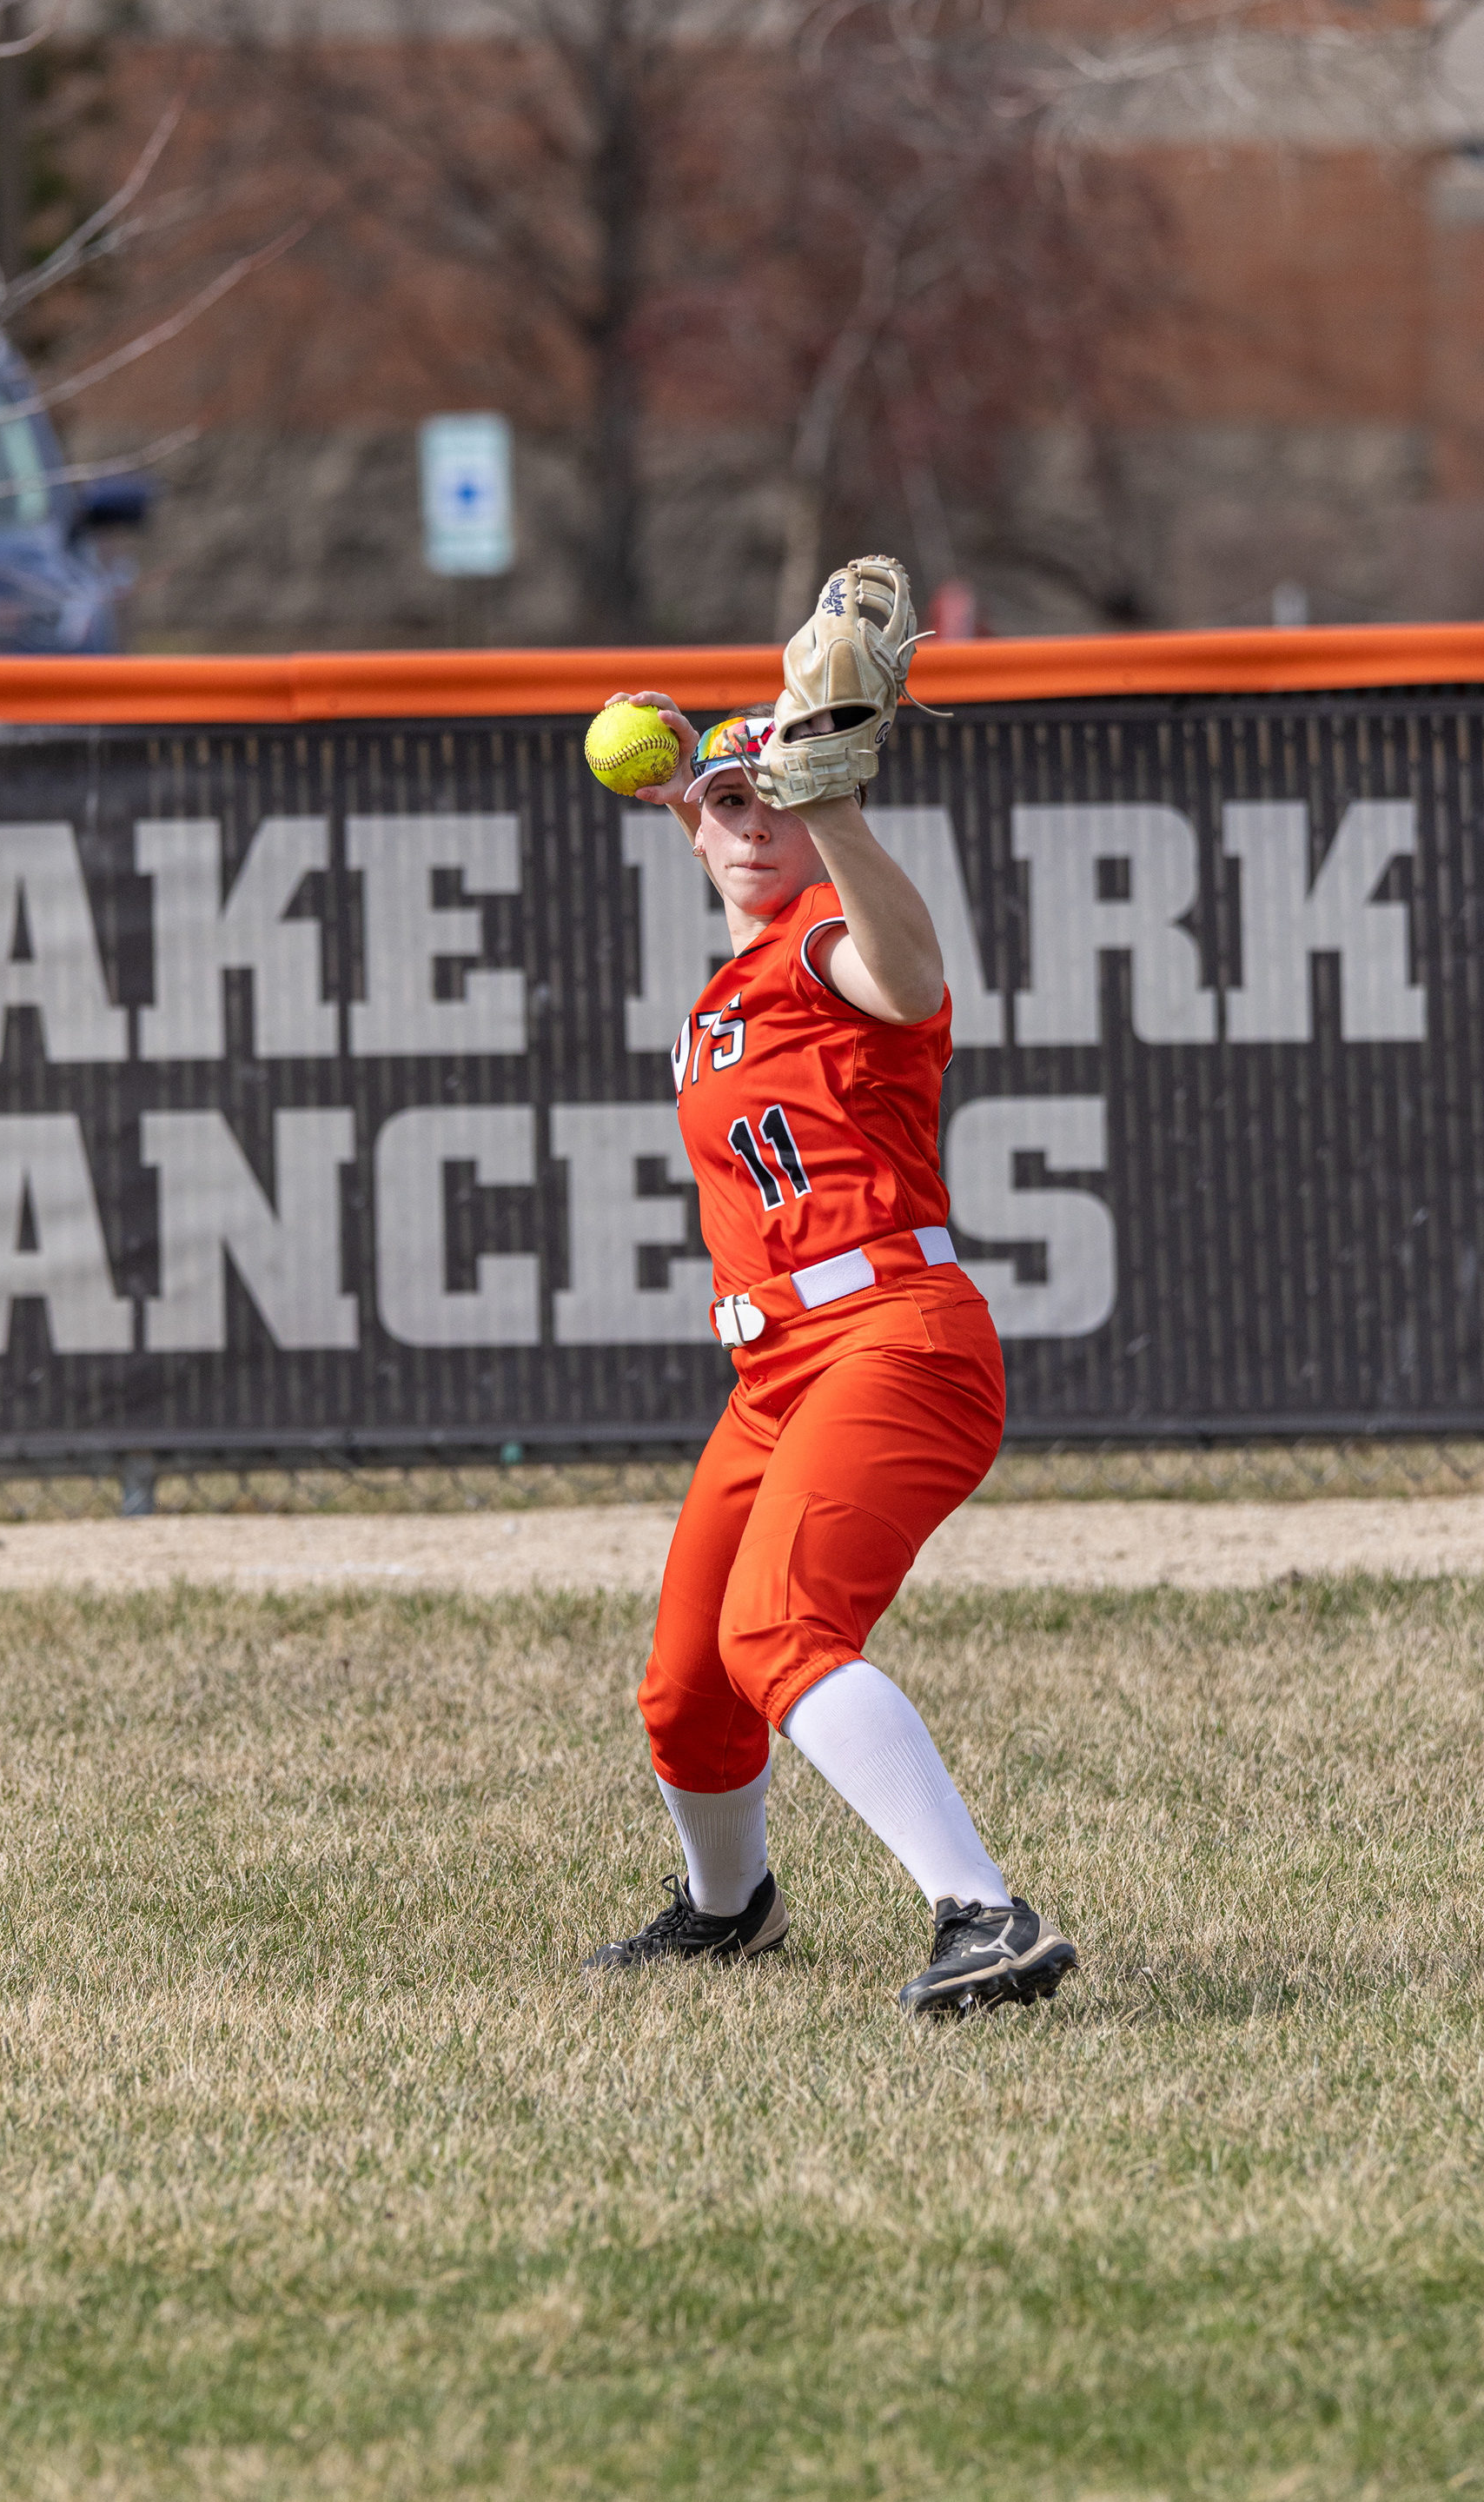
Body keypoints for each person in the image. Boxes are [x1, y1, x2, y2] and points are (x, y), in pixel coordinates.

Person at [582, 570, 1077, 2017]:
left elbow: (909, 978)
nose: (753, 828)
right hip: (775, 1372)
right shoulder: (727, 982)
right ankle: (727, 1909)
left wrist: (835, 810)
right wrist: (695, 779)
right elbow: (720, 814)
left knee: (780, 1632)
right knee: (687, 1687)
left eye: (774, 808)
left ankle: (983, 1913)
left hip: (894, 1340)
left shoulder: (824, 941)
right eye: (731, 809)